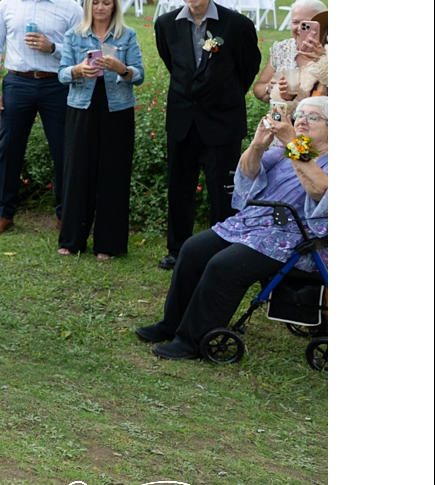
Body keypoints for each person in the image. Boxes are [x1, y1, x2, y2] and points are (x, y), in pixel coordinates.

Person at [139, 98, 328, 361]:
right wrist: (258, 145)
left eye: (314, 117)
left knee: (224, 266)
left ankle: (192, 341)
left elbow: (321, 191)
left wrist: (292, 142)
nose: (303, 121)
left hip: (296, 237)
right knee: (193, 249)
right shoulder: (285, 150)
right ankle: (172, 324)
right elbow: (248, 173)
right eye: (300, 115)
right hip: (254, 223)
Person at [151, 0, 263, 269]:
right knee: (179, 188)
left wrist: (222, 94)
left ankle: (221, 250)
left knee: (223, 192)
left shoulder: (236, 25)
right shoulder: (166, 24)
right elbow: (174, 65)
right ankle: (177, 250)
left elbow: (248, 68)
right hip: (182, 121)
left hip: (222, 122)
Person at [0, 0, 83, 238]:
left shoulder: (70, 9)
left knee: (63, 150)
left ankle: (65, 215)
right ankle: (3, 214)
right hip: (18, 82)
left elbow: (81, 51)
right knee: (9, 149)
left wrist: (54, 48)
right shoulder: (8, 5)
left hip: (57, 84)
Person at [56, 0, 145, 262]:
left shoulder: (127, 35)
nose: (100, 7)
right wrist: (78, 70)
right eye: (95, 2)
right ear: (88, 5)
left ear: (114, 5)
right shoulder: (75, 35)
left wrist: (122, 69)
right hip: (81, 108)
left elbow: (139, 75)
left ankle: (108, 242)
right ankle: (72, 239)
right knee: (77, 172)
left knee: (113, 174)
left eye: (106, 3)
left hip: (117, 110)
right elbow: (61, 73)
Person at [255, 0, 327, 119]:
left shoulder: (328, 53)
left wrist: (324, 61)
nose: (299, 28)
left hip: (317, 126)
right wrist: (270, 88)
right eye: (295, 22)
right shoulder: (282, 49)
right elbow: (258, 89)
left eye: (306, 24)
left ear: (321, 25)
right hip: (280, 122)